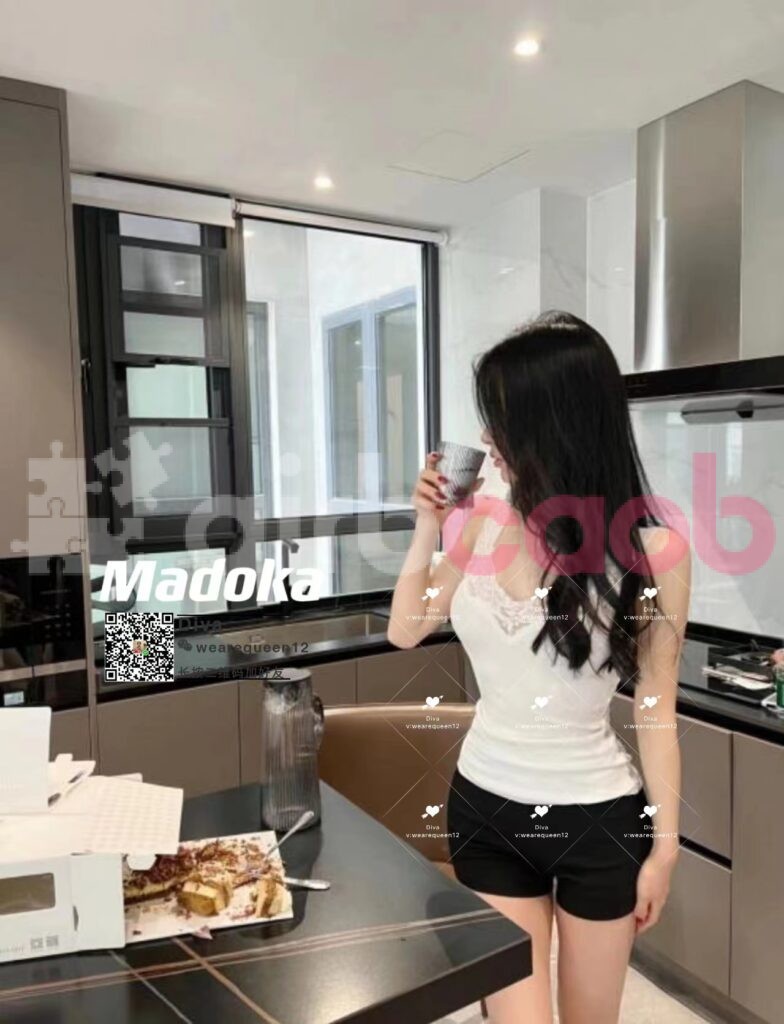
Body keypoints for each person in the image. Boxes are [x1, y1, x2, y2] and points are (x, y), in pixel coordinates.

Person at [388, 311, 690, 1024]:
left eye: (501, 418)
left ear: (553, 424)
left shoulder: (656, 552)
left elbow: (655, 708)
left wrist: (666, 849)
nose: (487, 436)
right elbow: (406, 629)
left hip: (600, 824)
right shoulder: (482, 522)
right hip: (487, 812)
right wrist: (427, 525)